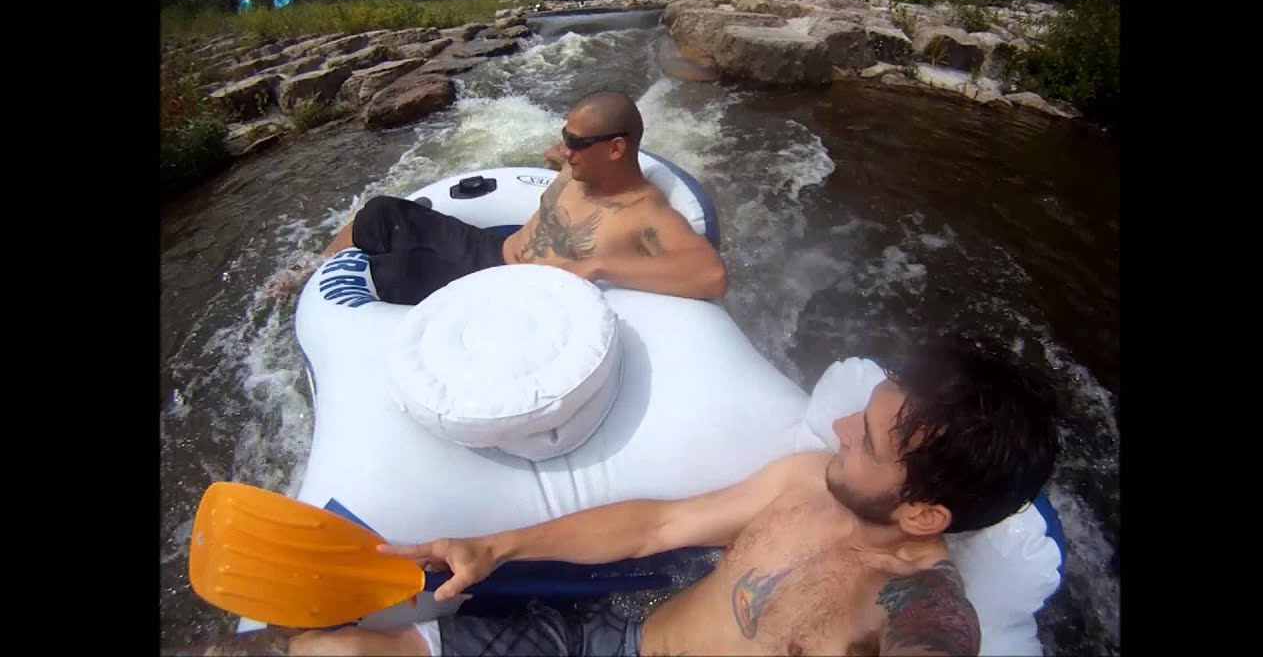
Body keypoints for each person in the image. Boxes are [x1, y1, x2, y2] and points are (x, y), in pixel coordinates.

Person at [179, 337, 1059, 656]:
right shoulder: (807, 484)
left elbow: (934, 643)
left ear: (923, 515)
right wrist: (501, 546)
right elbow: (659, 525)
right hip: (605, 634)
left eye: (865, 438)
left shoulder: (919, 604)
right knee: (329, 650)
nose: (836, 430)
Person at [269, 91, 727, 305]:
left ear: (616, 148)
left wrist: (598, 266)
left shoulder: (645, 213)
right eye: (565, 137)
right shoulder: (577, 168)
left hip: (509, 294)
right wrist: (563, 155)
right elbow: (559, 157)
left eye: (576, 142)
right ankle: (311, 273)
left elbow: (710, 275)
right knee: (383, 211)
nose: (566, 149)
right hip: (491, 251)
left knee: (392, 271)